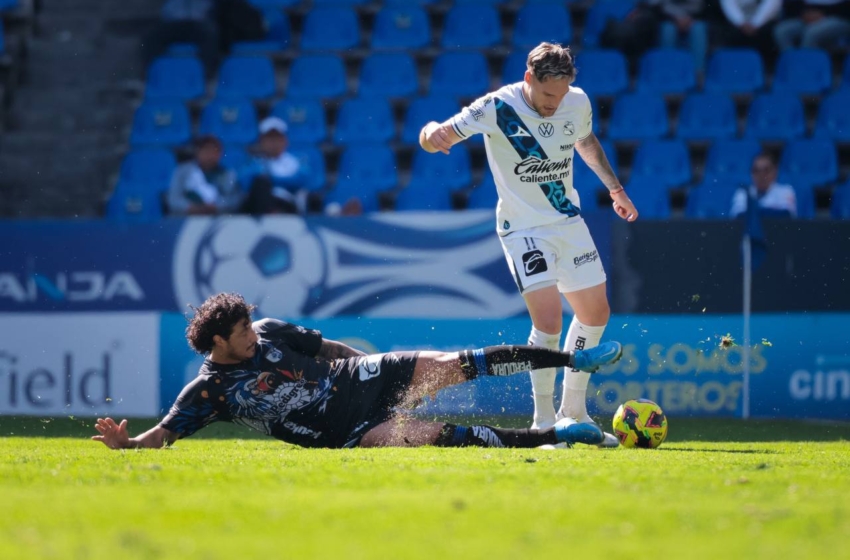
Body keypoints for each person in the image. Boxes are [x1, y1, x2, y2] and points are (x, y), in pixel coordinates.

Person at [418, 42, 638, 448]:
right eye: (548, 95)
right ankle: (543, 423)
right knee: (549, 322)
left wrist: (615, 189)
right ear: (529, 79)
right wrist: (430, 133)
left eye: (563, 93)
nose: (556, 104)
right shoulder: (495, 108)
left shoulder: (576, 102)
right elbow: (438, 138)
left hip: (566, 221)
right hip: (522, 230)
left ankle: (574, 411)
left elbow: (586, 141)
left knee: (596, 311)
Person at [92, 293, 624, 450]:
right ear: (218, 343)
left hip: (363, 379)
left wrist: (372, 367)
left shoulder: (272, 330)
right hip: (345, 433)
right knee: (439, 436)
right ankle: (557, 435)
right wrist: (130, 444)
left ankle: (574, 359)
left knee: (454, 363)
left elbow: (327, 349)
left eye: (252, 328)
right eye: (243, 334)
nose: (254, 337)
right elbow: (165, 433)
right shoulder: (209, 391)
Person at [166, 135, 243, 216]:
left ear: (220, 154)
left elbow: (235, 200)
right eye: (206, 151)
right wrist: (190, 207)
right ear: (198, 152)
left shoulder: (229, 174)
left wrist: (217, 207)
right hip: (185, 219)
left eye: (214, 151)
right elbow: (173, 199)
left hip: (217, 219)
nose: (210, 155)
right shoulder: (182, 171)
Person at [730, 152, 797, 218]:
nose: (761, 175)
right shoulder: (743, 192)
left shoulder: (785, 191)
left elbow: (787, 216)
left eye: (766, 170)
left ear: (775, 172)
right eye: (756, 171)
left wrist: (755, 213)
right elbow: (738, 217)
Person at [714, 0, 782, 59]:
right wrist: (740, 22)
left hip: (765, 21)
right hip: (737, 22)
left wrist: (756, 23)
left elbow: (771, 4)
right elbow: (729, 5)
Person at [773, 0, 850, 50]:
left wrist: (824, 14)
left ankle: (806, 67)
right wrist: (804, 13)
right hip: (808, 17)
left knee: (811, 32)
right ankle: (791, 63)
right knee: (782, 31)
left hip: (839, 18)